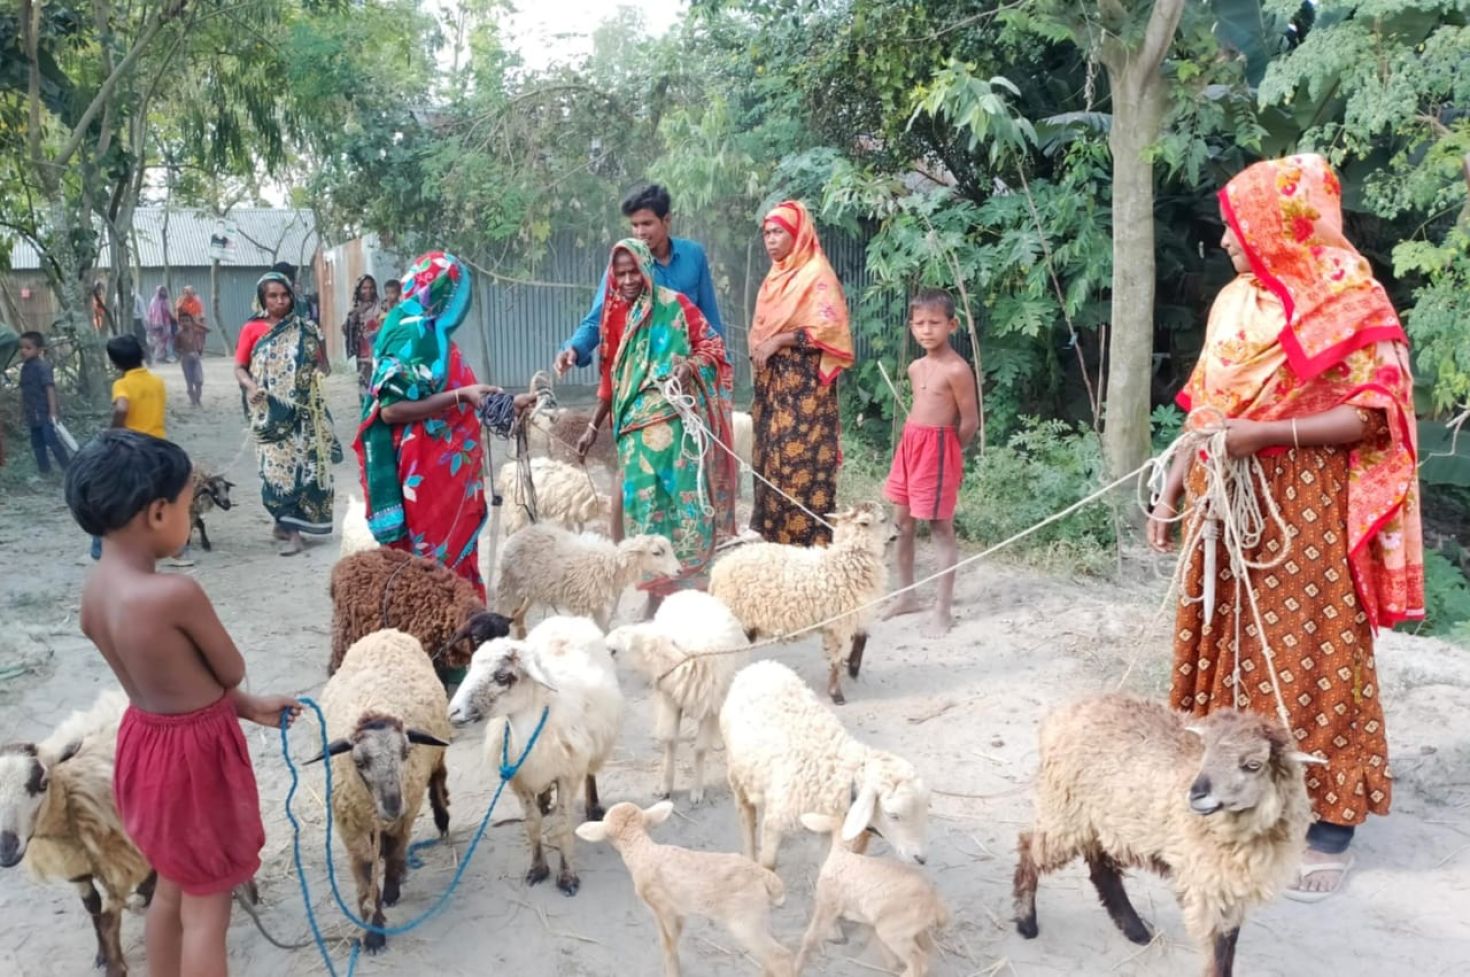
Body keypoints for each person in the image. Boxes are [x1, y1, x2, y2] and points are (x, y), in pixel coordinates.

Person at [1148, 154, 1422, 902]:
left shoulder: (1350, 299)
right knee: (1230, 645)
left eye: (1241, 225)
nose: (1230, 240)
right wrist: (1172, 489)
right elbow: (1207, 408)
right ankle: (1234, 785)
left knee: (1313, 648)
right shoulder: (1236, 303)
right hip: (1227, 501)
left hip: (1305, 503)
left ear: (1282, 224)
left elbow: (1374, 415)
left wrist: (1265, 437)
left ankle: (1328, 819)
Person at [64, 429, 300, 977]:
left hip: (144, 750)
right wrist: (237, 693)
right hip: (195, 766)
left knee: (170, 887)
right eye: (189, 506)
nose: (189, 517)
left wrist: (243, 706)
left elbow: (169, 686)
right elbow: (229, 668)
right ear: (156, 513)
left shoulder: (94, 592)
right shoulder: (174, 595)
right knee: (208, 910)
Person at [355, 252, 523, 602]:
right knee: (431, 564)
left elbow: (454, 394)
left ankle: (455, 636)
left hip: (444, 472)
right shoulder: (414, 333)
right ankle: (439, 639)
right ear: (445, 292)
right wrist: (463, 396)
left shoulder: (430, 330)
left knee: (446, 564)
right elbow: (391, 409)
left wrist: (505, 402)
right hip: (426, 473)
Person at [576, 238, 736, 601]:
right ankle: (654, 595)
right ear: (612, 277)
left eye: (634, 271)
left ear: (647, 267)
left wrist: (687, 368)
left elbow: (714, 346)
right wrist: (592, 426)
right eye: (621, 274)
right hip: (633, 436)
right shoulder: (614, 315)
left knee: (685, 506)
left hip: (678, 429)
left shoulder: (676, 306)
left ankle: (692, 594)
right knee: (645, 512)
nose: (629, 280)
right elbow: (611, 379)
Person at [748, 199, 854, 546]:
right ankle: (777, 543)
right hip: (773, 388)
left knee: (800, 462)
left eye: (779, 232)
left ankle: (809, 543)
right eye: (767, 233)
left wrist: (780, 340)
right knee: (770, 461)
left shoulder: (815, 274)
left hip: (805, 390)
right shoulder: (775, 277)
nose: (771, 240)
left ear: (798, 234)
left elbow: (830, 329)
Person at [882, 289, 980, 637]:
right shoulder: (915, 367)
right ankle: (907, 595)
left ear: (951, 325)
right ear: (911, 327)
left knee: (940, 528)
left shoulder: (957, 369)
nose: (927, 330)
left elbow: (970, 420)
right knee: (902, 525)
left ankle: (942, 608)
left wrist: (952, 453)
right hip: (911, 445)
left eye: (934, 323)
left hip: (939, 449)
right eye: (919, 323)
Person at [554, 184, 725, 378]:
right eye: (634, 225)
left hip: (687, 371)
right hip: (640, 374)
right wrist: (573, 349)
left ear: (666, 220)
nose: (640, 232)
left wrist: (716, 365)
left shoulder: (693, 255)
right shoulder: (624, 266)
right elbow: (598, 320)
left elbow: (710, 318)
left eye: (647, 223)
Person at [234, 271, 341, 556]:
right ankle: (289, 528)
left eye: (284, 295)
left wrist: (318, 374)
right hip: (269, 412)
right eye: (273, 296)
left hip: (305, 413)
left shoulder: (307, 328)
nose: (280, 301)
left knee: (305, 469)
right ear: (262, 299)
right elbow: (239, 367)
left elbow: (324, 365)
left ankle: (290, 528)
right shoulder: (252, 329)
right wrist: (250, 387)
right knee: (276, 471)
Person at [18, 331, 70, 475]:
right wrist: (21, 412)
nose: (23, 351)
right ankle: (45, 470)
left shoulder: (42, 367)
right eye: (21, 348)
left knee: (51, 440)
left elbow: (50, 389)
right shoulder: (25, 368)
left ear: (39, 350)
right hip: (31, 413)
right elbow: (25, 392)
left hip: (44, 412)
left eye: (28, 348)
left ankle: (68, 468)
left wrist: (53, 412)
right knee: (37, 443)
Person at [342, 274, 382, 399]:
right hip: (363, 355)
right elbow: (345, 329)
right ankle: (366, 414)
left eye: (371, 288)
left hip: (380, 353)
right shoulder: (355, 310)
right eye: (364, 288)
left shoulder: (381, 306)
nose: (368, 291)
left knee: (380, 385)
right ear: (358, 290)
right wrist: (356, 314)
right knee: (365, 388)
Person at [175, 286, 209, 408]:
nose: (185, 323)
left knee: (199, 381)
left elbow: (207, 330)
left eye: (187, 321)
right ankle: (193, 400)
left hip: (195, 357)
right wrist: (182, 353)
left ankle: (198, 399)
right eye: (182, 321)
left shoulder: (194, 329)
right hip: (185, 359)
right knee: (189, 382)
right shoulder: (178, 334)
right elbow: (176, 347)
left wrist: (195, 323)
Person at [147, 286, 177, 364]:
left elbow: (170, 312)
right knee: (158, 341)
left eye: (164, 291)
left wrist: (174, 319)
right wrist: (153, 324)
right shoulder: (154, 301)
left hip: (166, 324)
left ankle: (168, 356)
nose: (163, 293)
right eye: (161, 291)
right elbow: (151, 314)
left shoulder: (166, 301)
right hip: (157, 325)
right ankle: (158, 357)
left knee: (168, 339)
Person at [131, 288, 151, 362]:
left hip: (137, 320)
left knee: (142, 341)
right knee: (140, 341)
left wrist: (146, 321)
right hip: (133, 321)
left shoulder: (137, 297)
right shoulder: (117, 297)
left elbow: (143, 311)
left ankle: (148, 360)